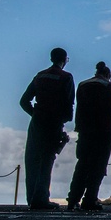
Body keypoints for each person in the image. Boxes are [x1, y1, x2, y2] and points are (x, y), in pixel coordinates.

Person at [19, 47, 74, 210]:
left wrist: (36, 114)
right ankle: (41, 198)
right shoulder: (66, 77)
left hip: (37, 122)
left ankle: (31, 197)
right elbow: (69, 103)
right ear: (64, 59)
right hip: (53, 122)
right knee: (47, 159)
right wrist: (63, 121)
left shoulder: (40, 76)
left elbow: (24, 101)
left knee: (32, 159)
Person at [67, 62, 111, 211]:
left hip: (85, 129)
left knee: (82, 165)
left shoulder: (83, 85)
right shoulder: (108, 86)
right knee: (98, 166)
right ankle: (90, 199)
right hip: (104, 130)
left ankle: (73, 199)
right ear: (108, 75)